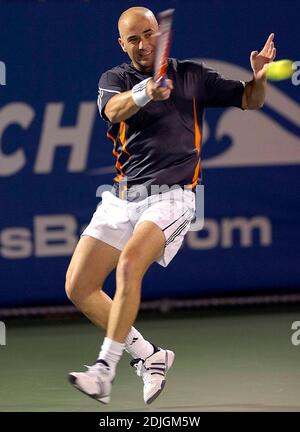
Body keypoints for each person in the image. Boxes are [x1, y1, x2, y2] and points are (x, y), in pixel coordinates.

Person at [66, 6, 276, 405]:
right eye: (134, 39)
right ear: (122, 44)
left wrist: (260, 76)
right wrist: (148, 91)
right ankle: (150, 356)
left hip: (175, 195)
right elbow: (113, 110)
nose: (145, 44)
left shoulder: (193, 75)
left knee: (130, 265)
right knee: (79, 287)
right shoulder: (115, 80)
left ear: (159, 36)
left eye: (149, 34)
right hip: (122, 197)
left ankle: (103, 371)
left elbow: (251, 100)